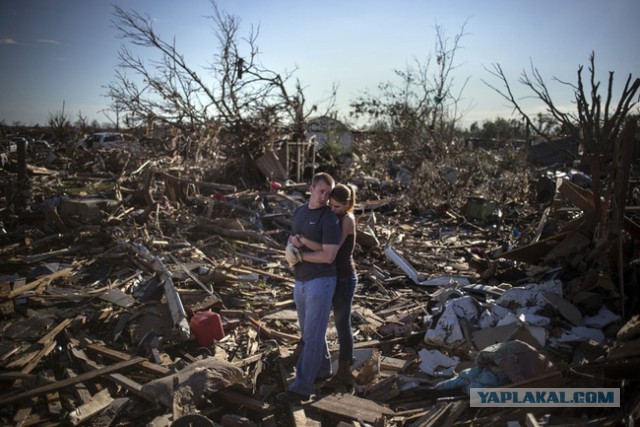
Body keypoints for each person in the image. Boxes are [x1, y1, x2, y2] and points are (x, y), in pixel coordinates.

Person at [277, 172, 341, 403]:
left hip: (321, 281)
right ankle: (323, 370)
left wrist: (301, 255)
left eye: (328, 193)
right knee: (309, 332)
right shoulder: (300, 211)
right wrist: (291, 247)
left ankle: (302, 387)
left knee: (313, 335)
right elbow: (292, 237)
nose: (324, 197)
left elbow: (328, 256)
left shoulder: (329, 219)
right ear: (311, 189)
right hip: (301, 280)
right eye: (321, 191)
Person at [289, 183, 358, 388]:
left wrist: (305, 247)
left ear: (347, 205)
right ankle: (316, 360)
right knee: (317, 321)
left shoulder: (346, 220)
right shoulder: (333, 217)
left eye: (337, 207)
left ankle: (344, 369)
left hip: (345, 278)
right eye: (331, 205)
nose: (332, 210)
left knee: (342, 324)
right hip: (333, 276)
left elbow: (331, 250)